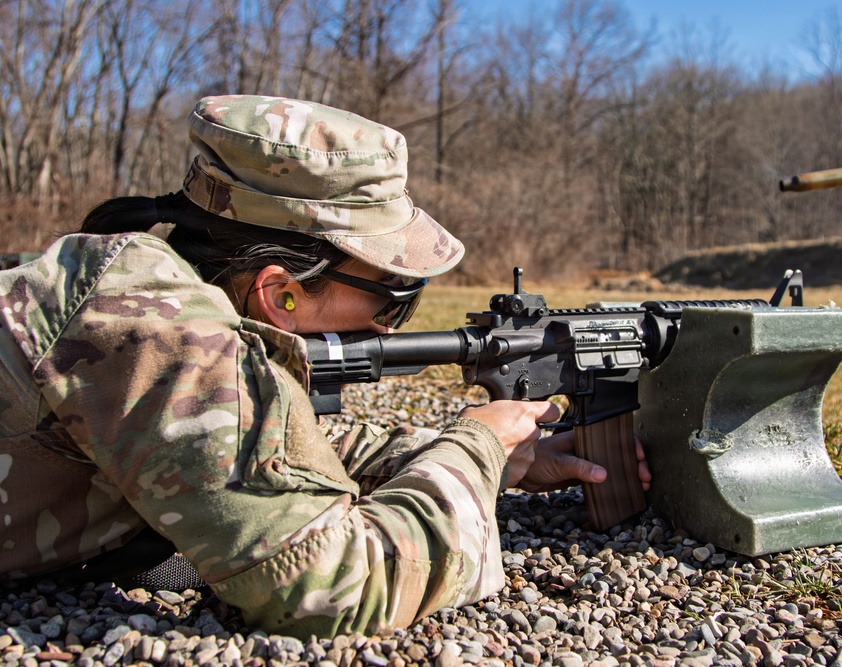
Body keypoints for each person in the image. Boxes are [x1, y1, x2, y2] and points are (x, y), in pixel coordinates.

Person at [0, 95, 650, 637]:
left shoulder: (162, 298)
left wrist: (487, 454)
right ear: (279, 292)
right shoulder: (162, 333)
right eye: (395, 295)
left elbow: (265, 444)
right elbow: (337, 588)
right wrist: (474, 449)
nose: (392, 321)